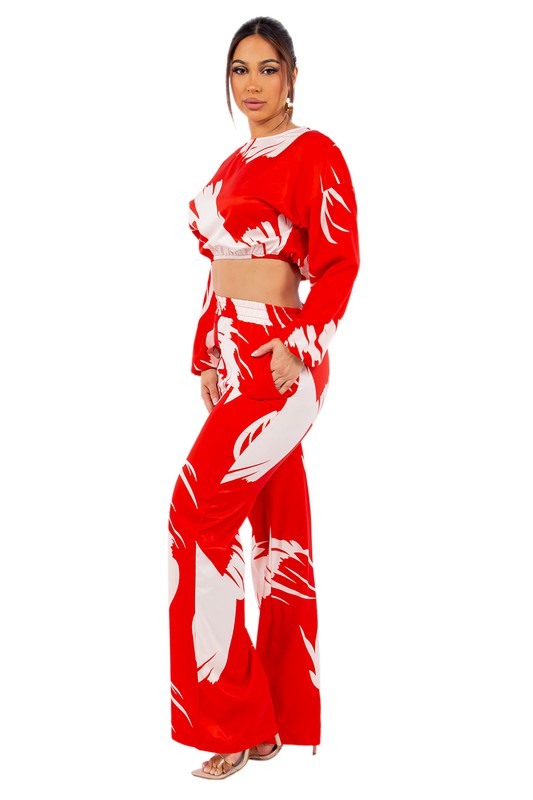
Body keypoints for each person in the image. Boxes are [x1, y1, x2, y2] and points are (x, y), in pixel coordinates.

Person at [167, 15, 360, 780]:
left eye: (267, 69)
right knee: (277, 536)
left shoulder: (315, 154)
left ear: (292, 76)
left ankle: (231, 719)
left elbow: (339, 263)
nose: (252, 84)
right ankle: (277, 715)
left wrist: (299, 345)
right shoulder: (229, 168)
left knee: (194, 518)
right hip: (233, 357)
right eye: (240, 70)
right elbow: (218, 271)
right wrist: (203, 354)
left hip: (281, 364)